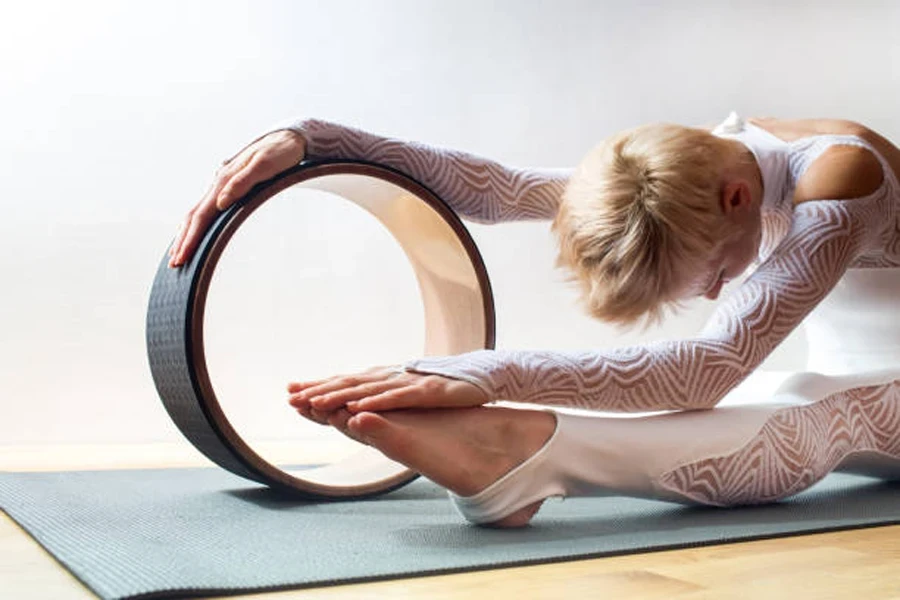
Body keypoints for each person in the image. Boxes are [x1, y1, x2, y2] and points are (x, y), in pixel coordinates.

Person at [170, 113, 900, 528]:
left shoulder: (841, 178)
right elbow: (501, 189)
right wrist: (315, 140)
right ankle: (522, 456)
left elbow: (706, 369)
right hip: (850, 362)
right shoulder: (691, 170)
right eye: (714, 277)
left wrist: (489, 373)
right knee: (785, 389)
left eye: (710, 273)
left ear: (740, 199)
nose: (715, 292)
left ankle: (524, 452)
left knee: (820, 413)